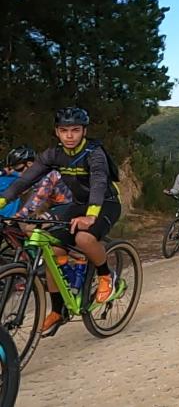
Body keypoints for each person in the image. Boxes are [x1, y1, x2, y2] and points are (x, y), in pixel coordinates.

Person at [0, 107, 121, 336]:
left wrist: (91, 215)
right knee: (51, 251)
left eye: (75, 130)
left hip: (105, 203)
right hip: (78, 205)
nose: (69, 136)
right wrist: (2, 202)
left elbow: (98, 183)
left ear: (84, 131)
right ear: (57, 132)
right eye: (64, 130)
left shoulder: (94, 153)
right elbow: (24, 181)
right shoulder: (53, 155)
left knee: (84, 238)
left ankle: (107, 276)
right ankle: (58, 310)